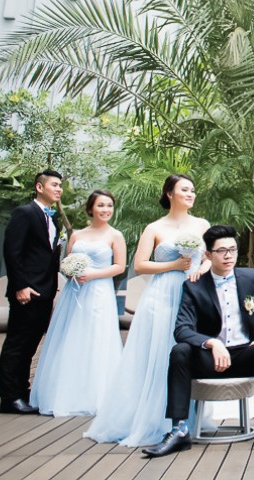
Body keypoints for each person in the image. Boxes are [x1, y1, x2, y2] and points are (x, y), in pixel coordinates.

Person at [143, 225, 254, 457]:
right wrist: (212, 343)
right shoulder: (194, 286)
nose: (228, 255)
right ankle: (179, 430)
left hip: (245, 356)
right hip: (210, 360)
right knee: (180, 351)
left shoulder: (251, 277)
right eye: (221, 251)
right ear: (208, 255)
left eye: (232, 249)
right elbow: (182, 329)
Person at [85, 173, 209, 446]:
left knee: (188, 351)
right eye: (185, 189)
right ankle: (156, 419)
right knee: (159, 353)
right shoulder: (154, 228)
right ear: (170, 194)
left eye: (192, 190)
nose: (191, 194)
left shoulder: (202, 225)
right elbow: (140, 265)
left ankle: (189, 416)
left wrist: (201, 269)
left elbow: (211, 257)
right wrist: (173, 266)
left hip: (193, 293)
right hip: (162, 294)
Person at [29, 190, 126, 416]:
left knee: (97, 338)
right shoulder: (77, 235)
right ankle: (64, 393)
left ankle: (96, 395)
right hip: (74, 292)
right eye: (101, 205)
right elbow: (66, 261)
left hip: (99, 292)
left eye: (109, 205)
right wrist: (72, 272)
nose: (106, 210)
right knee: (70, 337)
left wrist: (92, 274)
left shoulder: (115, 236)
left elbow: (119, 267)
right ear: (91, 208)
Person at [0, 169, 65, 414]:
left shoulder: (53, 219)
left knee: (30, 345)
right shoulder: (24, 213)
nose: (59, 189)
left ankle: (22, 391)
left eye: (60, 186)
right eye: (54, 185)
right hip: (26, 291)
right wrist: (20, 286)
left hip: (45, 292)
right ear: (39, 187)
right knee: (17, 344)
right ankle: (9, 399)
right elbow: (12, 252)